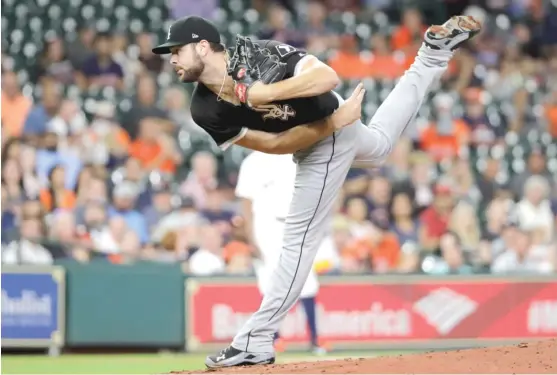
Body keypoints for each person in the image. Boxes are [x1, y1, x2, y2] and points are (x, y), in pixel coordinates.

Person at [152, 15, 481, 368]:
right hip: (320, 133)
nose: (171, 58)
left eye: (177, 50)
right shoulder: (203, 108)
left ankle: (256, 340)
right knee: (382, 147)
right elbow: (274, 144)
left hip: (328, 130)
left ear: (203, 46)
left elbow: (327, 77)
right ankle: (431, 57)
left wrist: (263, 93)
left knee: (297, 239)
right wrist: (334, 124)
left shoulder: (256, 54)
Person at [235, 151, 330, 355]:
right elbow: (246, 202)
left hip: (295, 223)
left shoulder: (296, 154)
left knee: (307, 279)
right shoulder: (253, 160)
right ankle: (272, 338)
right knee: (270, 280)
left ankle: (314, 338)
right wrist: (251, 237)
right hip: (265, 224)